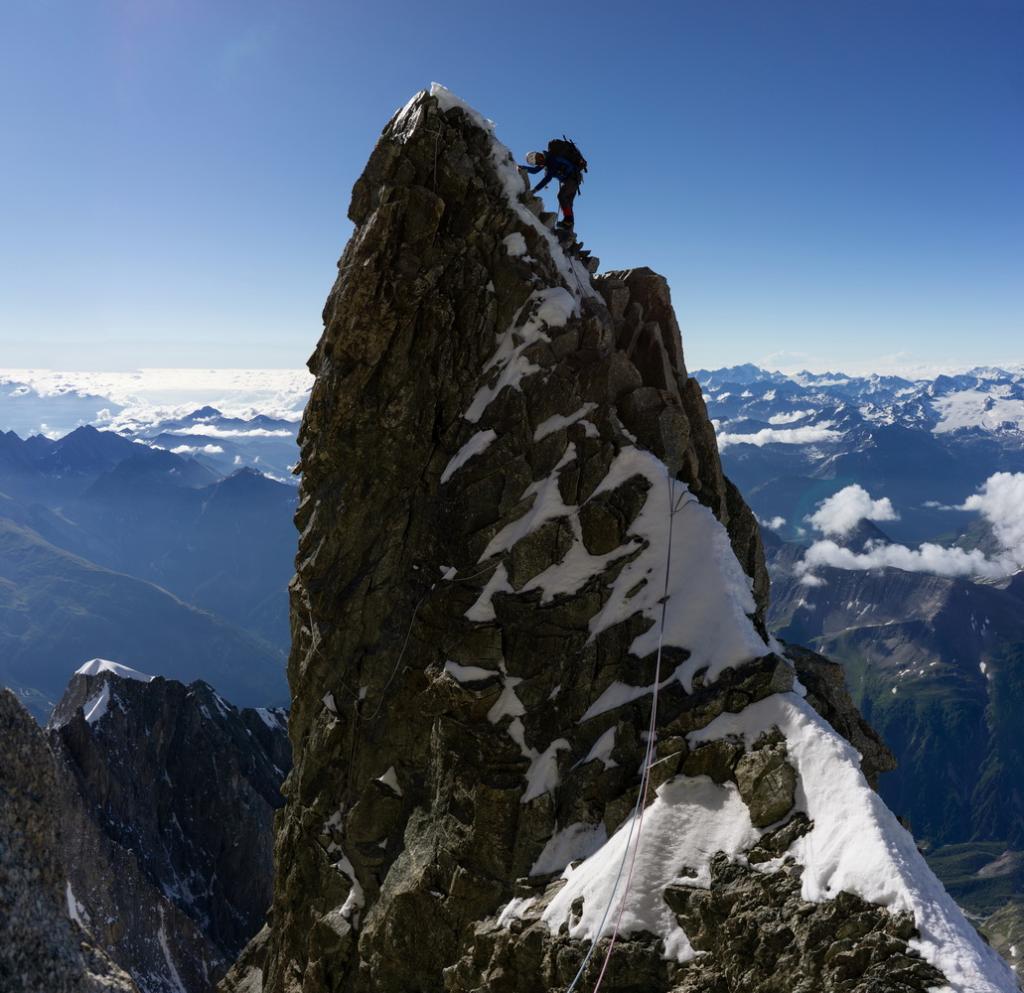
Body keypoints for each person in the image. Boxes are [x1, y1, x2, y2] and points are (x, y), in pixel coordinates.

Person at [523, 138, 588, 231]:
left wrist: (534, 190)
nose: (540, 161)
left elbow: (547, 178)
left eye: (538, 158)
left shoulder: (552, 159)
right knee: (567, 202)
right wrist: (521, 167)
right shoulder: (547, 161)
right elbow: (534, 171)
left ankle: (568, 221)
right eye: (537, 161)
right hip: (573, 178)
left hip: (572, 178)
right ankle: (569, 226)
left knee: (562, 196)